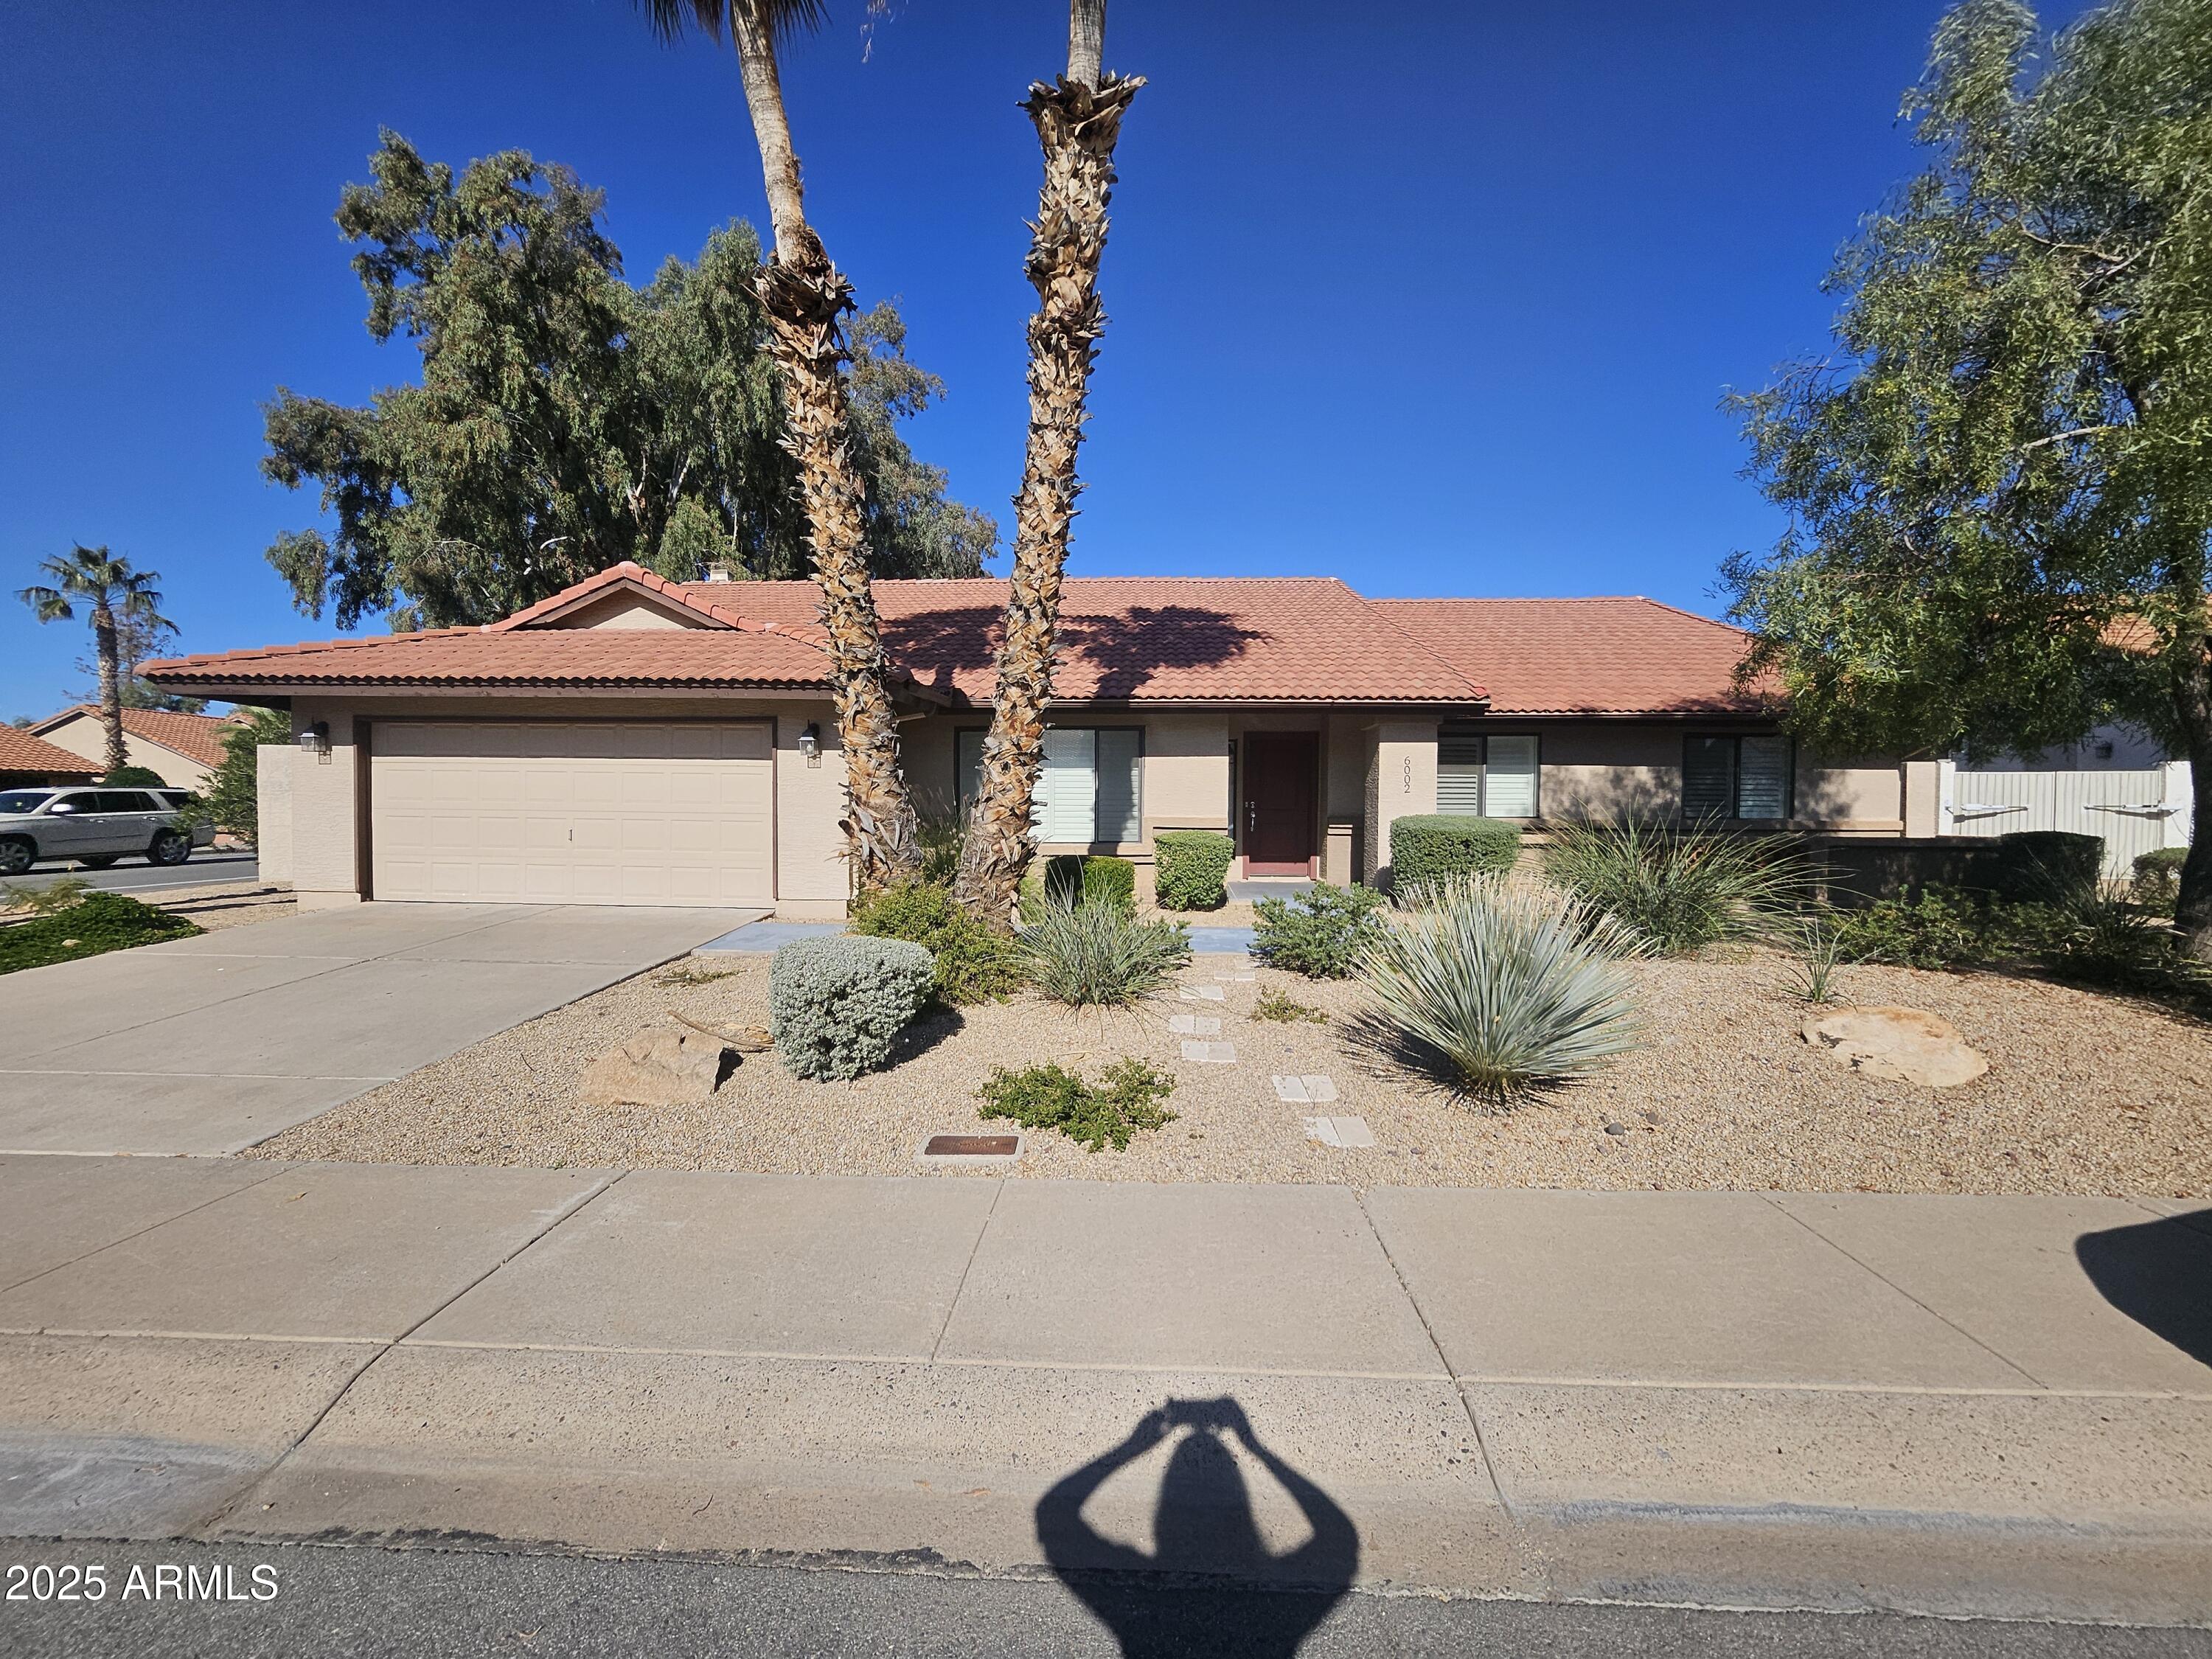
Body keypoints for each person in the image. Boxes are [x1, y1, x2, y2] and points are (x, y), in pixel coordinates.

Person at [1035, 1397, 1358, 1658]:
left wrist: (1134, 1446)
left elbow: (1052, 1516)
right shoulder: (1140, 1626)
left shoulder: (1144, 1624)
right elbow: (1340, 1539)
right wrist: (1257, 1448)